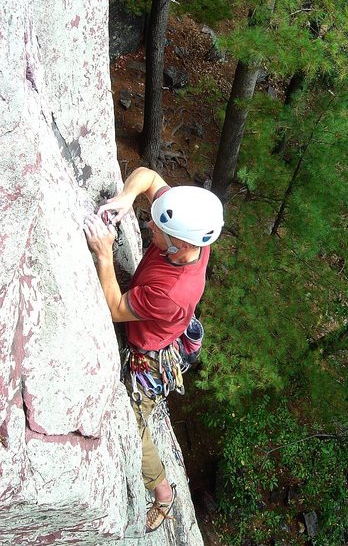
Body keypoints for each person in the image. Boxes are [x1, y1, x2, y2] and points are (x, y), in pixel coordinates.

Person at [83, 167, 223, 532]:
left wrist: (103, 253)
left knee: (134, 422)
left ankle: (163, 493)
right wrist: (126, 198)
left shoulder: (173, 291)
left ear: (183, 246)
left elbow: (115, 309)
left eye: (158, 231)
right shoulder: (187, 232)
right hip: (173, 330)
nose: (149, 228)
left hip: (154, 354)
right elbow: (147, 176)